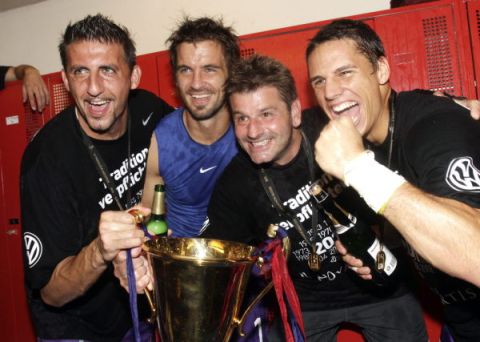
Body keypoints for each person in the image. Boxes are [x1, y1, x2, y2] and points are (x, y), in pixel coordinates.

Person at [201, 54, 428, 341]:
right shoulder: (234, 184)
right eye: (242, 118)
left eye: (266, 114)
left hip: (383, 287)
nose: (253, 131)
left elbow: (399, 117)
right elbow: (212, 259)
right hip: (304, 303)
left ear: (295, 112)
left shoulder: (337, 131)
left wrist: (451, 104)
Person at [307, 19, 480, 341]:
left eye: (345, 73)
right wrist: (378, 259)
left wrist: (358, 168)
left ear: (382, 71)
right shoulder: (370, 147)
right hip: (461, 323)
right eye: (319, 81)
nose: (330, 92)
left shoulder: (434, 126)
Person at [20, 14, 173, 341]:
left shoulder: (151, 111)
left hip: (137, 307)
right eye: (80, 72)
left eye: (107, 70)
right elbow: (51, 292)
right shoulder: (45, 160)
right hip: (75, 325)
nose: (93, 89)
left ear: (133, 77)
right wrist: (101, 250)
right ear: (64, 79)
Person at [140, 16, 239, 237]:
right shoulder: (163, 139)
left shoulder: (250, 128)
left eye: (209, 69)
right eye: (185, 70)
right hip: (182, 262)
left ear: (232, 74)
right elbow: (147, 216)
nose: (196, 83)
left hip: (241, 259)